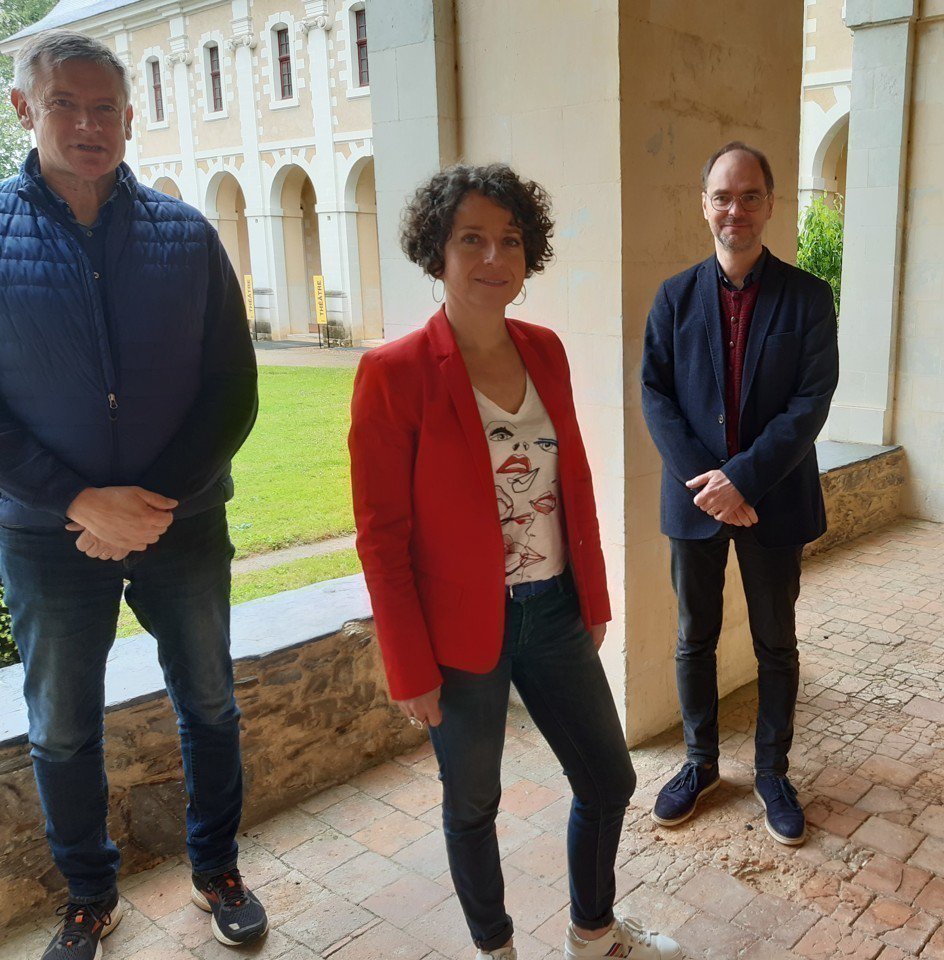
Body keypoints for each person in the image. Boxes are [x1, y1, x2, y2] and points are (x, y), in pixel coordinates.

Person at [348, 163, 681, 960]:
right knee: (472, 802)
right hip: (457, 632)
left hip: (555, 609)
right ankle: (494, 948)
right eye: (472, 239)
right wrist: (408, 665)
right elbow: (381, 535)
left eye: (511, 240)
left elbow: (575, 484)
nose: (494, 256)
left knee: (609, 779)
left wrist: (594, 598)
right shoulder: (392, 375)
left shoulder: (546, 350)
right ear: (438, 250)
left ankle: (592, 932)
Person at [0, 30, 266, 960]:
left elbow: (233, 389)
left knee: (210, 703)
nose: (88, 124)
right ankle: (88, 894)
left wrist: (144, 502)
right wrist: (79, 503)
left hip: (183, 524)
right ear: (24, 109)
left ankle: (217, 869)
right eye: (66, 104)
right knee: (63, 729)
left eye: (106, 107)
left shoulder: (186, 235)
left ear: (129, 116)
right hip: (44, 537)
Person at [641, 142, 839, 846]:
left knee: (775, 643)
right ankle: (699, 765)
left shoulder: (809, 298)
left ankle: (773, 773)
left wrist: (744, 480)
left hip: (773, 498)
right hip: (696, 501)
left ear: (770, 205)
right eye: (723, 196)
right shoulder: (672, 298)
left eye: (750, 195)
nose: (736, 209)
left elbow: (811, 400)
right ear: (705, 205)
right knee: (693, 639)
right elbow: (656, 395)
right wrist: (712, 486)